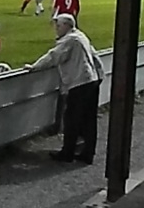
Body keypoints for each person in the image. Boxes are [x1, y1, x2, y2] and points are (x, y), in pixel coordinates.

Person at [25, 14, 105, 164]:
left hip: (79, 83)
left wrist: (35, 67)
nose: (56, 28)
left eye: (59, 26)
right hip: (91, 80)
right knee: (89, 120)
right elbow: (95, 56)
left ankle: (68, 153)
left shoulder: (70, 40)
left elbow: (53, 56)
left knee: (71, 119)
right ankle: (87, 154)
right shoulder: (81, 36)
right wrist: (100, 75)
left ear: (67, 26)